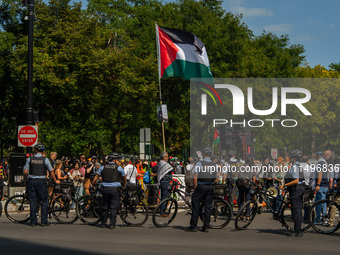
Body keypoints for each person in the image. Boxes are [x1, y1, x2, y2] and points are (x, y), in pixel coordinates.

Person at [23, 143, 60, 227]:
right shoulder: (45, 160)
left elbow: (25, 172)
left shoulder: (30, 159)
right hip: (41, 181)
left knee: (33, 202)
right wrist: (55, 180)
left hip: (32, 181)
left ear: (35, 151)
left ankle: (33, 221)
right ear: (42, 151)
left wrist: (26, 178)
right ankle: (43, 221)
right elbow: (51, 172)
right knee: (43, 201)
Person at [186, 147, 216, 233]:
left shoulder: (200, 163)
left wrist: (195, 186)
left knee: (196, 205)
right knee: (207, 207)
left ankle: (193, 226)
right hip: (210, 187)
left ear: (203, 154)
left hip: (201, 186)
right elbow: (216, 177)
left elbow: (195, 177)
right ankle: (206, 226)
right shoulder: (214, 165)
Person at [92, 153, 126, 229]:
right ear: (114, 160)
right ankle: (112, 224)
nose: (118, 161)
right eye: (117, 160)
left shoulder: (103, 167)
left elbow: (96, 176)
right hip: (115, 190)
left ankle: (103, 223)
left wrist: (92, 183)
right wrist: (123, 185)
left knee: (105, 206)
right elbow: (124, 177)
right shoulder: (119, 167)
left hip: (105, 189)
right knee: (113, 207)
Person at [279, 149, 304, 237]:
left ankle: (297, 231)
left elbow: (296, 180)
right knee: (298, 210)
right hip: (299, 189)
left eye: (291, 157)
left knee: (296, 210)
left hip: (296, 189)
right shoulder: (298, 165)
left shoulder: (295, 167)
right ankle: (298, 229)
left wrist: (285, 185)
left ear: (294, 158)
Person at [314, 150, 333, 224]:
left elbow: (320, 173)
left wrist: (318, 184)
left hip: (321, 185)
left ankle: (319, 218)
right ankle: (323, 218)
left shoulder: (320, 162)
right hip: (324, 185)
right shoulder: (325, 162)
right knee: (323, 203)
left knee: (319, 203)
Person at [157, 151, 174, 216]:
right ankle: (162, 212)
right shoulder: (164, 163)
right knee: (165, 197)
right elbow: (171, 170)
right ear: (164, 157)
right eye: (167, 156)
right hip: (165, 182)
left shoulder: (161, 163)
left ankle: (163, 210)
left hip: (164, 181)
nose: (168, 158)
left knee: (165, 196)